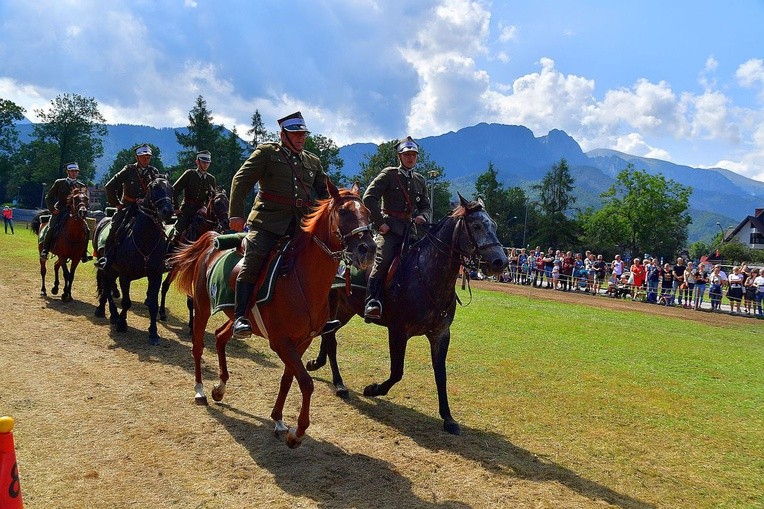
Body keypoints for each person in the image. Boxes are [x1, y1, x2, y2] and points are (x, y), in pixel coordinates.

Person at [228, 112, 332, 338]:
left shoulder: (312, 161)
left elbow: (324, 191)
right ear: (283, 134)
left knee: (326, 259)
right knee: (254, 260)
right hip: (268, 222)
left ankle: (322, 316)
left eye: (303, 134)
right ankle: (240, 317)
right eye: (295, 133)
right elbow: (241, 179)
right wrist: (236, 214)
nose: (300, 138)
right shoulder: (267, 153)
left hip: (301, 225)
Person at [362, 136, 431, 320]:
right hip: (390, 229)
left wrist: (423, 216)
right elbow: (368, 198)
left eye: (414, 154)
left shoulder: (420, 180)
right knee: (382, 260)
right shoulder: (389, 174)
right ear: (399, 156)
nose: (411, 158)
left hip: (411, 231)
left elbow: (426, 206)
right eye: (407, 154)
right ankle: (373, 302)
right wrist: (380, 223)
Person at [97, 144, 160, 269]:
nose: (146, 159)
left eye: (148, 157)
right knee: (115, 227)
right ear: (137, 157)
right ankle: (107, 258)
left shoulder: (154, 172)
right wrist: (117, 204)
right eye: (143, 157)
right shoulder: (129, 170)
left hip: (148, 209)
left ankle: (161, 259)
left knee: (160, 229)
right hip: (129, 207)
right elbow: (110, 186)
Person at [40, 162, 90, 262]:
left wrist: (84, 209)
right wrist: (53, 210)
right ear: (67, 172)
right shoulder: (59, 183)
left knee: (87, 230)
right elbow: (48, 197)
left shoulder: (81, 185)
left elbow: (84, 200)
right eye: (72, 171)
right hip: (60, 210)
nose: (74, 173)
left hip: (75, 212)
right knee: (52, 227)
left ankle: (84, 253)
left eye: (76, 171)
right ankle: (45, 250)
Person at [172, 150, 217, 243]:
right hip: (186, 210)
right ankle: (169, 253)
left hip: (202, 212)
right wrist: (175, 208)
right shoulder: (189, 174)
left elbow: (212, 198)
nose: (205, 164)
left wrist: (205, 207)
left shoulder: (211, 179)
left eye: (208, 162)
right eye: (203, 162)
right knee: (178, 233)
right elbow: (174, 190)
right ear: (197, 162)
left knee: (214, 232)